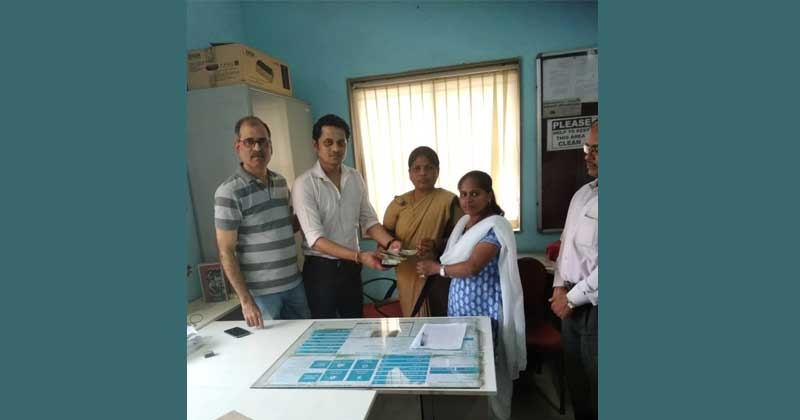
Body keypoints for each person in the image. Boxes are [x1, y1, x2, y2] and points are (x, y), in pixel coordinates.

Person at [416, 171, 525, 420]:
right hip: (460, 304)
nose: (467, 200)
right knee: (465, 357)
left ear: (488, 195)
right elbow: (457, 250)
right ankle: (470, 404)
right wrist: (435, 245)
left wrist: (437, 269)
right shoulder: (465, 223)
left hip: (485, 307)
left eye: (475, 193)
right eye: (463, 194)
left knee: (486, 360)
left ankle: (491, 411)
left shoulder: (495, 227)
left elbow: (473, 266)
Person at [292, 114, 400, 319]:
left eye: (341, 143)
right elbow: (316, 240)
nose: (336, 148)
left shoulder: (354, 177)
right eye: (328, 143)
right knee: (325, 329)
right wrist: (360, 256)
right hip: (321, 271)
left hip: (351, 269)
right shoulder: (304, 184)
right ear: (316, 145)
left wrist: (391, 243)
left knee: (356, 324)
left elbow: (368, 220)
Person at [214, 116, 310, 328]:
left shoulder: (280, 182)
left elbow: (289, 226)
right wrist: (246, 300)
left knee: (306, 339)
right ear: (238, 146)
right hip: (262, 295)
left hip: (294, 284)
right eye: (249, 142)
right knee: (271, 345)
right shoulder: (229, 192)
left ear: (270, 146)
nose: (257, 148)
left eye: (262, 141)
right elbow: (225, 251)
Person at [549, 119, 599, 420]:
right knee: (577, 380)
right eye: (587, 148)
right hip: (570, 303)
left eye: (597, 150)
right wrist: (559, 286)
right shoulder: (582, 194)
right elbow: (565, 244)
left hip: (595, 308)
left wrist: (571, 298)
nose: (588, 156)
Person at [383, 146, 462, 317]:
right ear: (410, 173)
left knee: (440, 322)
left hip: (438, 275)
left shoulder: (449, 201)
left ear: (437, 171)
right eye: (417, 168)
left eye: (429, 168)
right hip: (407, 274)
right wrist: (392, 252)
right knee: (412, 321)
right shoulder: (398, 204)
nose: (423, 173)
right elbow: (384, 243)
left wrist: (435, 245)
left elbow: (462, 241)